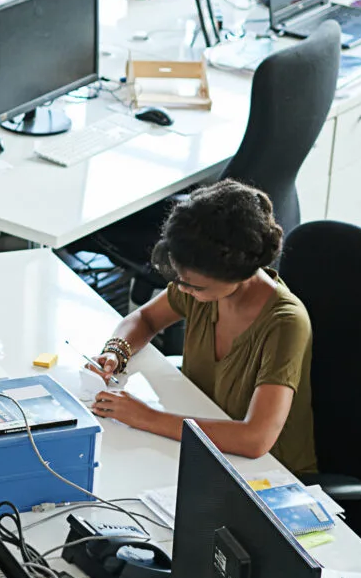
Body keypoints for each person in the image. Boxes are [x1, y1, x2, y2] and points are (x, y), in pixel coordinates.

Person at [83, 180, 319, 482]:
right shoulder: (204, 286)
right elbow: (145, 319)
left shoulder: (285, 323)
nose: (181, 289)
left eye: (192, 285)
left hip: (265, 476)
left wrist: (147, 417)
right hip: (199, 442)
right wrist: (116, 351)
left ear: (239, 273)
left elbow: (255, 439)